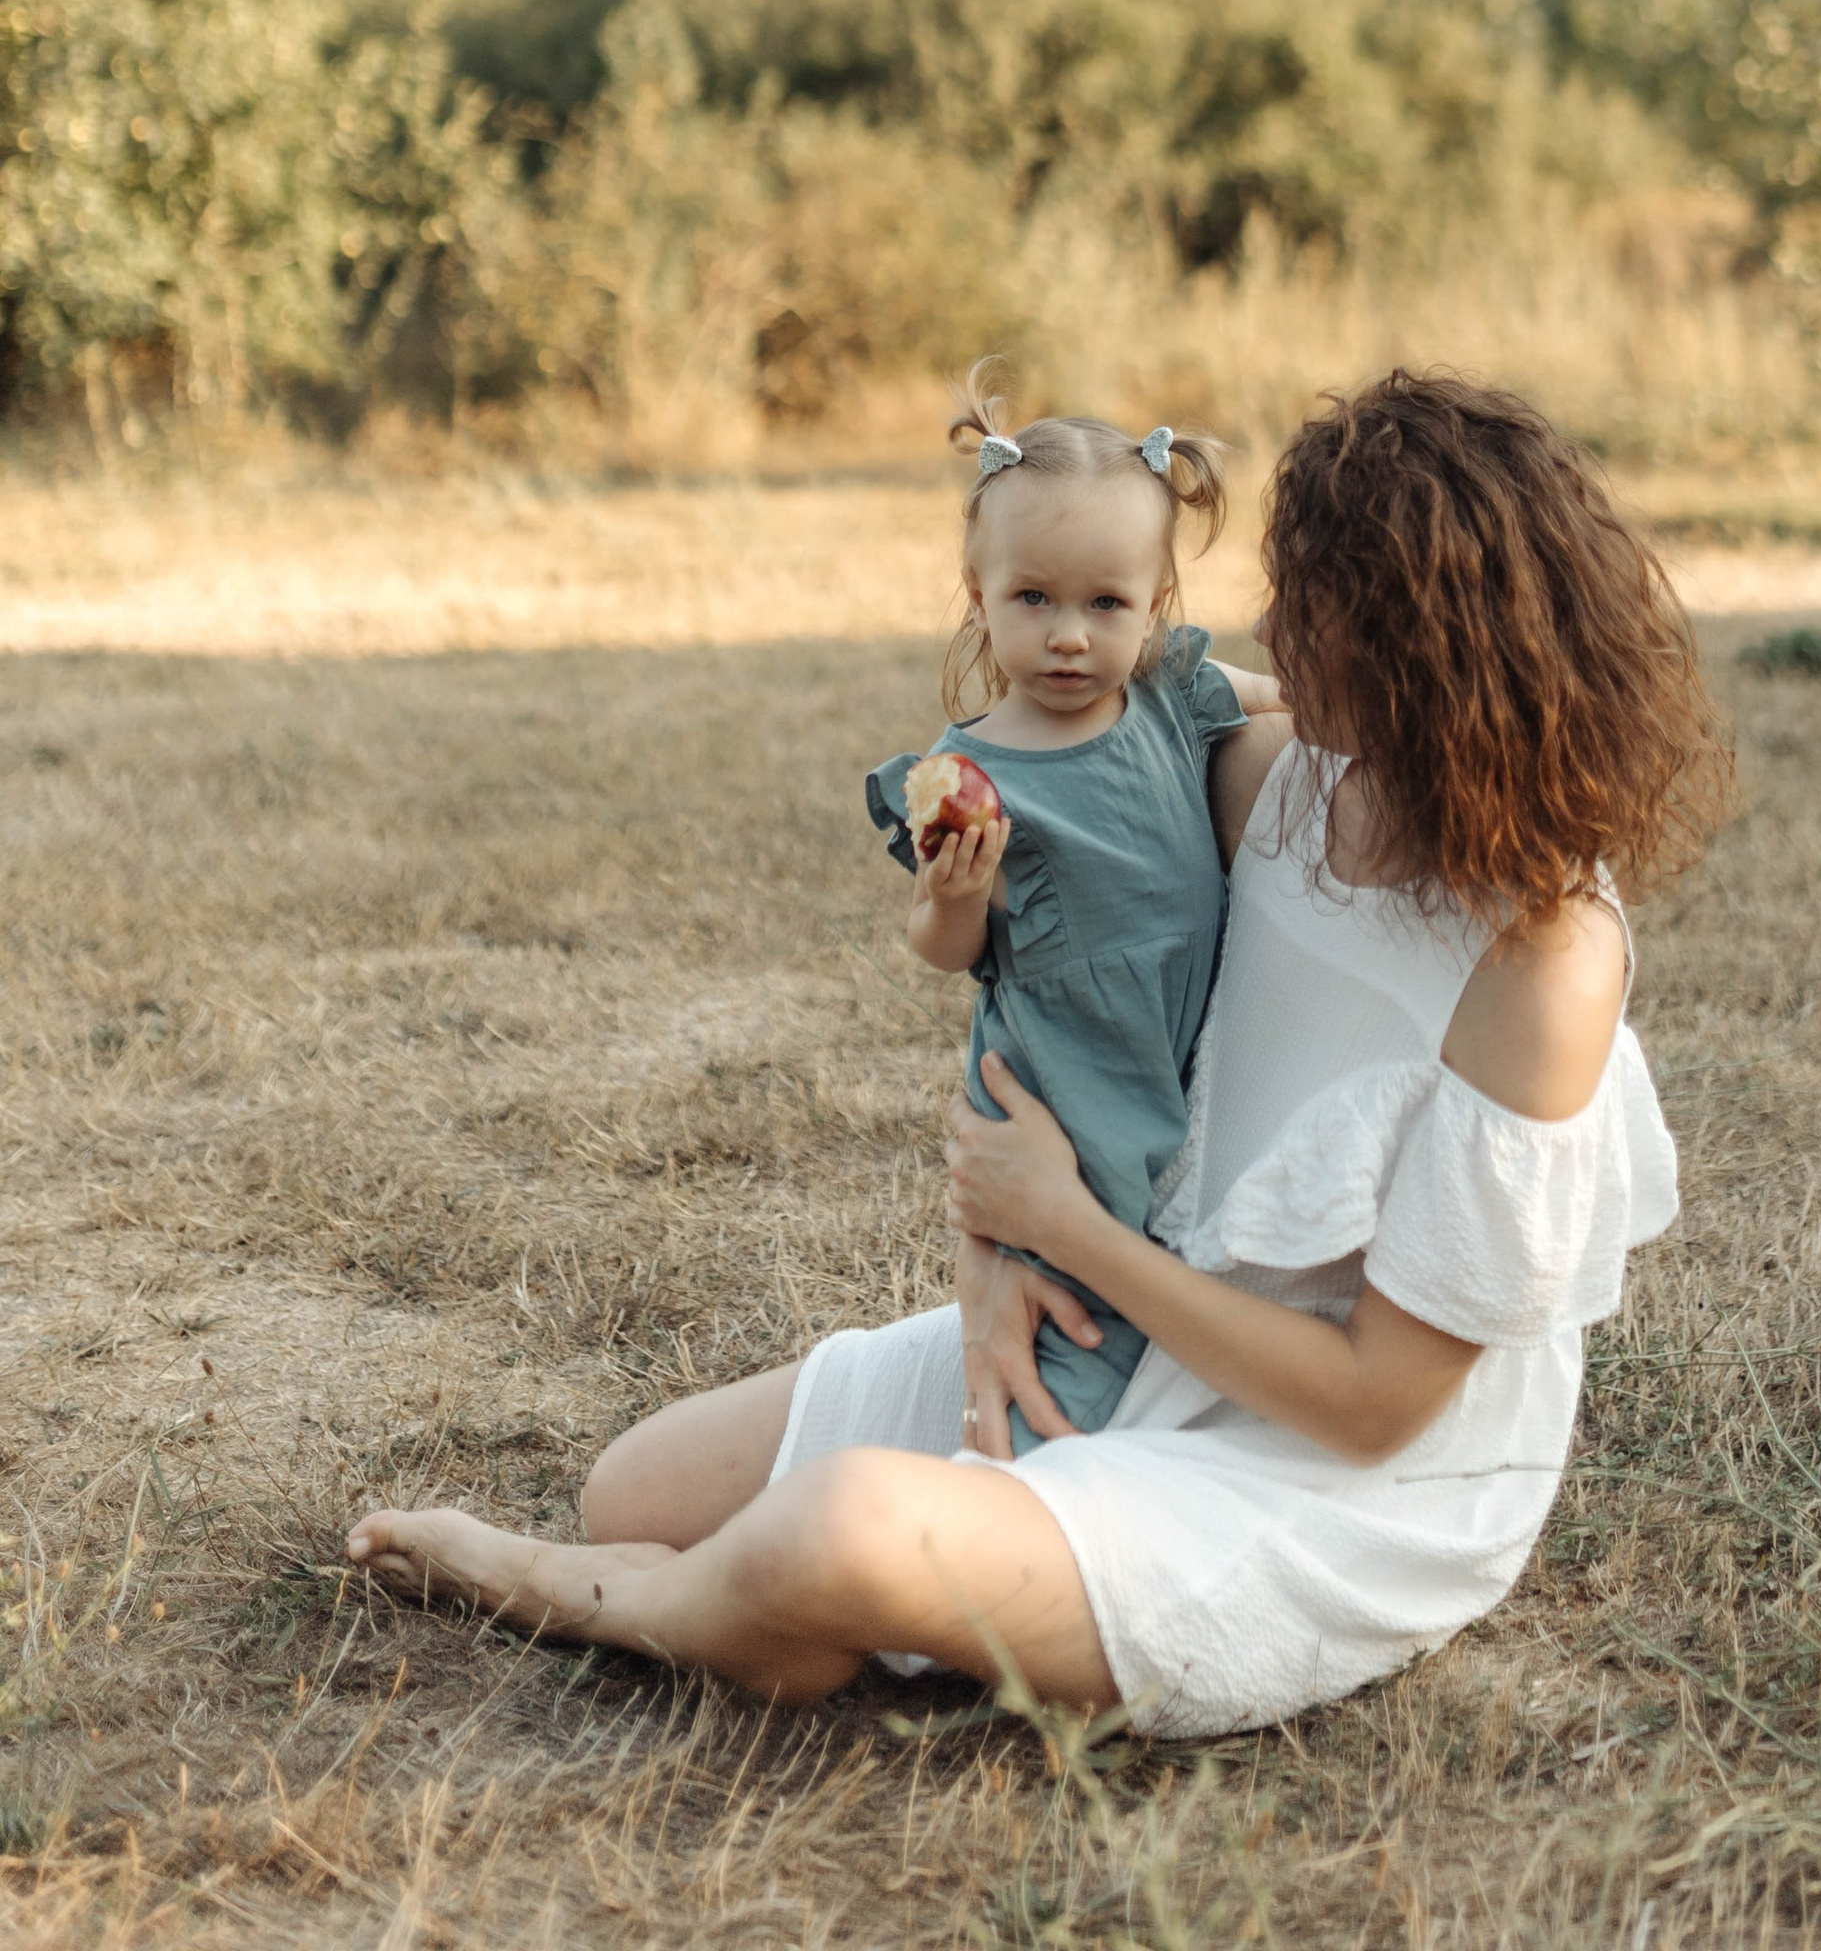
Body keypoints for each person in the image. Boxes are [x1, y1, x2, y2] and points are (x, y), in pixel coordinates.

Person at [346, 370, 1730, 1736]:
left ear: (1429, 649)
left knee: (830, 1532)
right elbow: (1047, 982)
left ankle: (593, 1602)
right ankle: (707, 1588)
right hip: (1128, 1332)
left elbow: (1377, 1407)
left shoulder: (1542, 958)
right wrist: (996, 1261)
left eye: (1323, 617)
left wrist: (1060, 1223)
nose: (1286, 642)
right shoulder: (1276, 782)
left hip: (1331, 1481)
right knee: (639, 1491)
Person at [866, 373, 1278, 1451]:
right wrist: (949, 898)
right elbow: (949, 951)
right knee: (1074, 1296)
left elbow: (1299, 701)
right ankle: (1022, 1465)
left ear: (1153, 606)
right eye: (1033, 599)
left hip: (1166, 1039)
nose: (1067, 637)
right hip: (1061, 1071)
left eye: (1106, 605)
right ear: (978, 594)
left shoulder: (1169, 697)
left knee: (1161, 1250)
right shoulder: (966, 771)